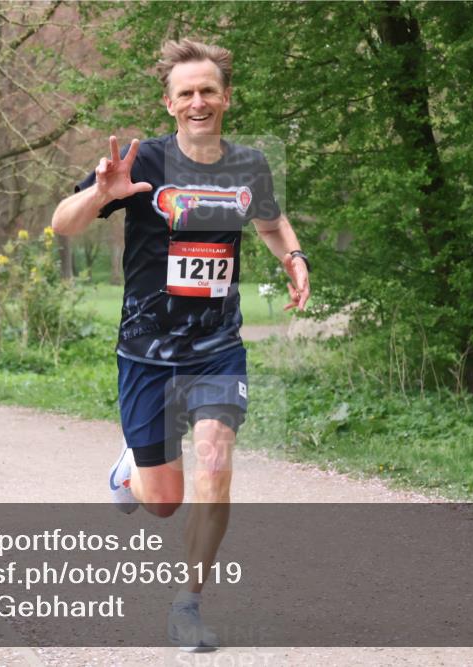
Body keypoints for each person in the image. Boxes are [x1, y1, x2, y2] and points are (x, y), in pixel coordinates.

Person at [51, 38, 310, 652]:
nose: (199, 101)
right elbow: (62, 222)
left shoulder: (249, 166)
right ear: (170, 103)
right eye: (186, 93)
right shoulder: (142, 162)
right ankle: (128, 471)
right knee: (164, 502)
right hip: (146, 351)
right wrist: (101, 193)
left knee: (216, 466)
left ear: (226, 99)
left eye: (209, 91)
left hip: (218, 346)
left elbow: (269, 219)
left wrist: (293, 257)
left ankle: (187, 605)